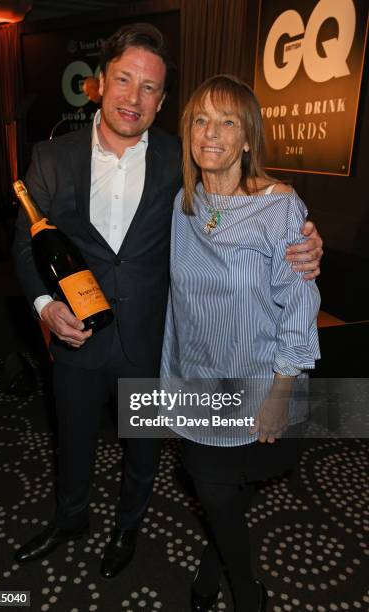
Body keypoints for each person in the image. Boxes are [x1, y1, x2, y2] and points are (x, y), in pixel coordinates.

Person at [12, 23, 323, 581]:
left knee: (144, 450)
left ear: (161, 100)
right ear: (99, 83)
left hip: (154, 347)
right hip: (77, 337)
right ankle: (71, 517)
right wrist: (43, 305)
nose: (135, 97)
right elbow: (25, 244)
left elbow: (249, 203)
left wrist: (304, 237)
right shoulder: (51, 158)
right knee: (72, 440)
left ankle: (129, 526)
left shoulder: (185, 162)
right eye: (125, 80)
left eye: (150, 87)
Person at [160, 74, 321, 611]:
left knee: (221, 489)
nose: (212, 133)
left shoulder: (279, 209)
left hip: (256, 386)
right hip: (199, 382)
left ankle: (246, 595)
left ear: (248, 138)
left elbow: (299, 310)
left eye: (228, 121)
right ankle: (222, 566)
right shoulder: (185, 202)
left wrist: (280, 394)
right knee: (216, 489)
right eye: (201, 120)